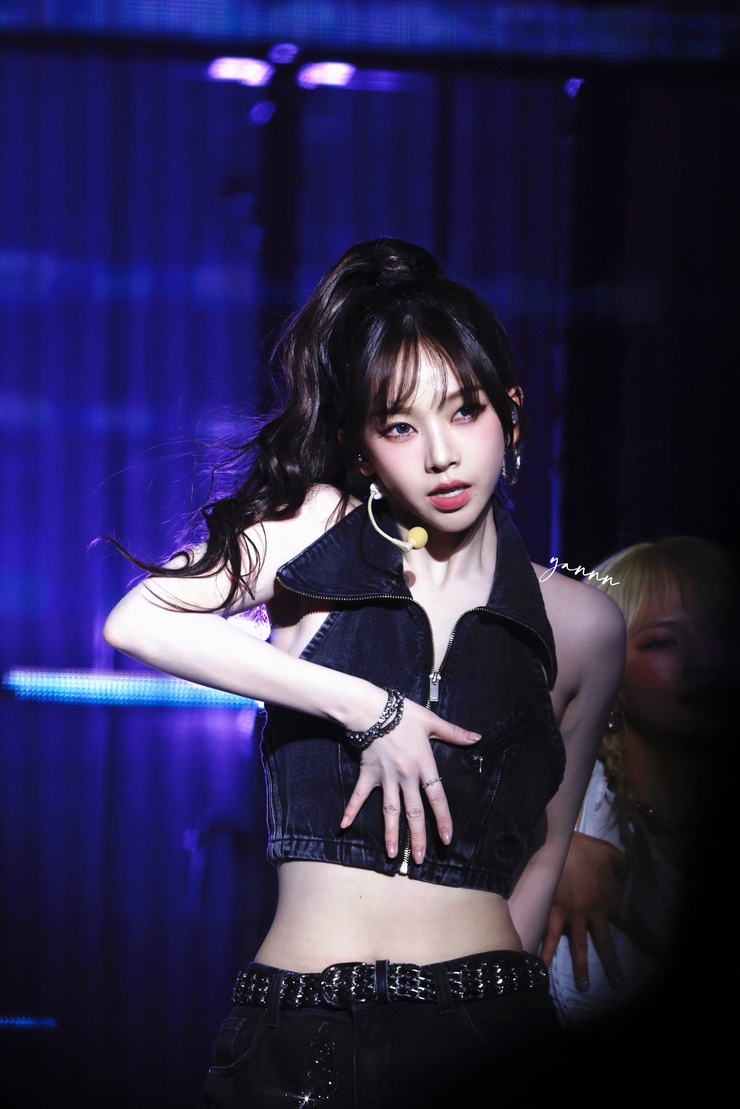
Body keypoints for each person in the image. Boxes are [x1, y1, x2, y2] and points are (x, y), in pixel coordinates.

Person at [103, 238, 625, 1108]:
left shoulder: (584, 622)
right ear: (360, 449)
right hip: (299, 1025)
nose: (441, 454)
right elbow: (137, 619)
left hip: (488, 1018)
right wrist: (370, 708)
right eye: (400, 425)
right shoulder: (318, 534)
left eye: (465, 410)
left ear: (512, 417)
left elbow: (545, 850)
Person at [543, 536, 736, 1030]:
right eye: (662, 642)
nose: (705, 660)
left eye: (724, 632)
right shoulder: (561, 806)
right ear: (606, 673)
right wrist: (543, 853)